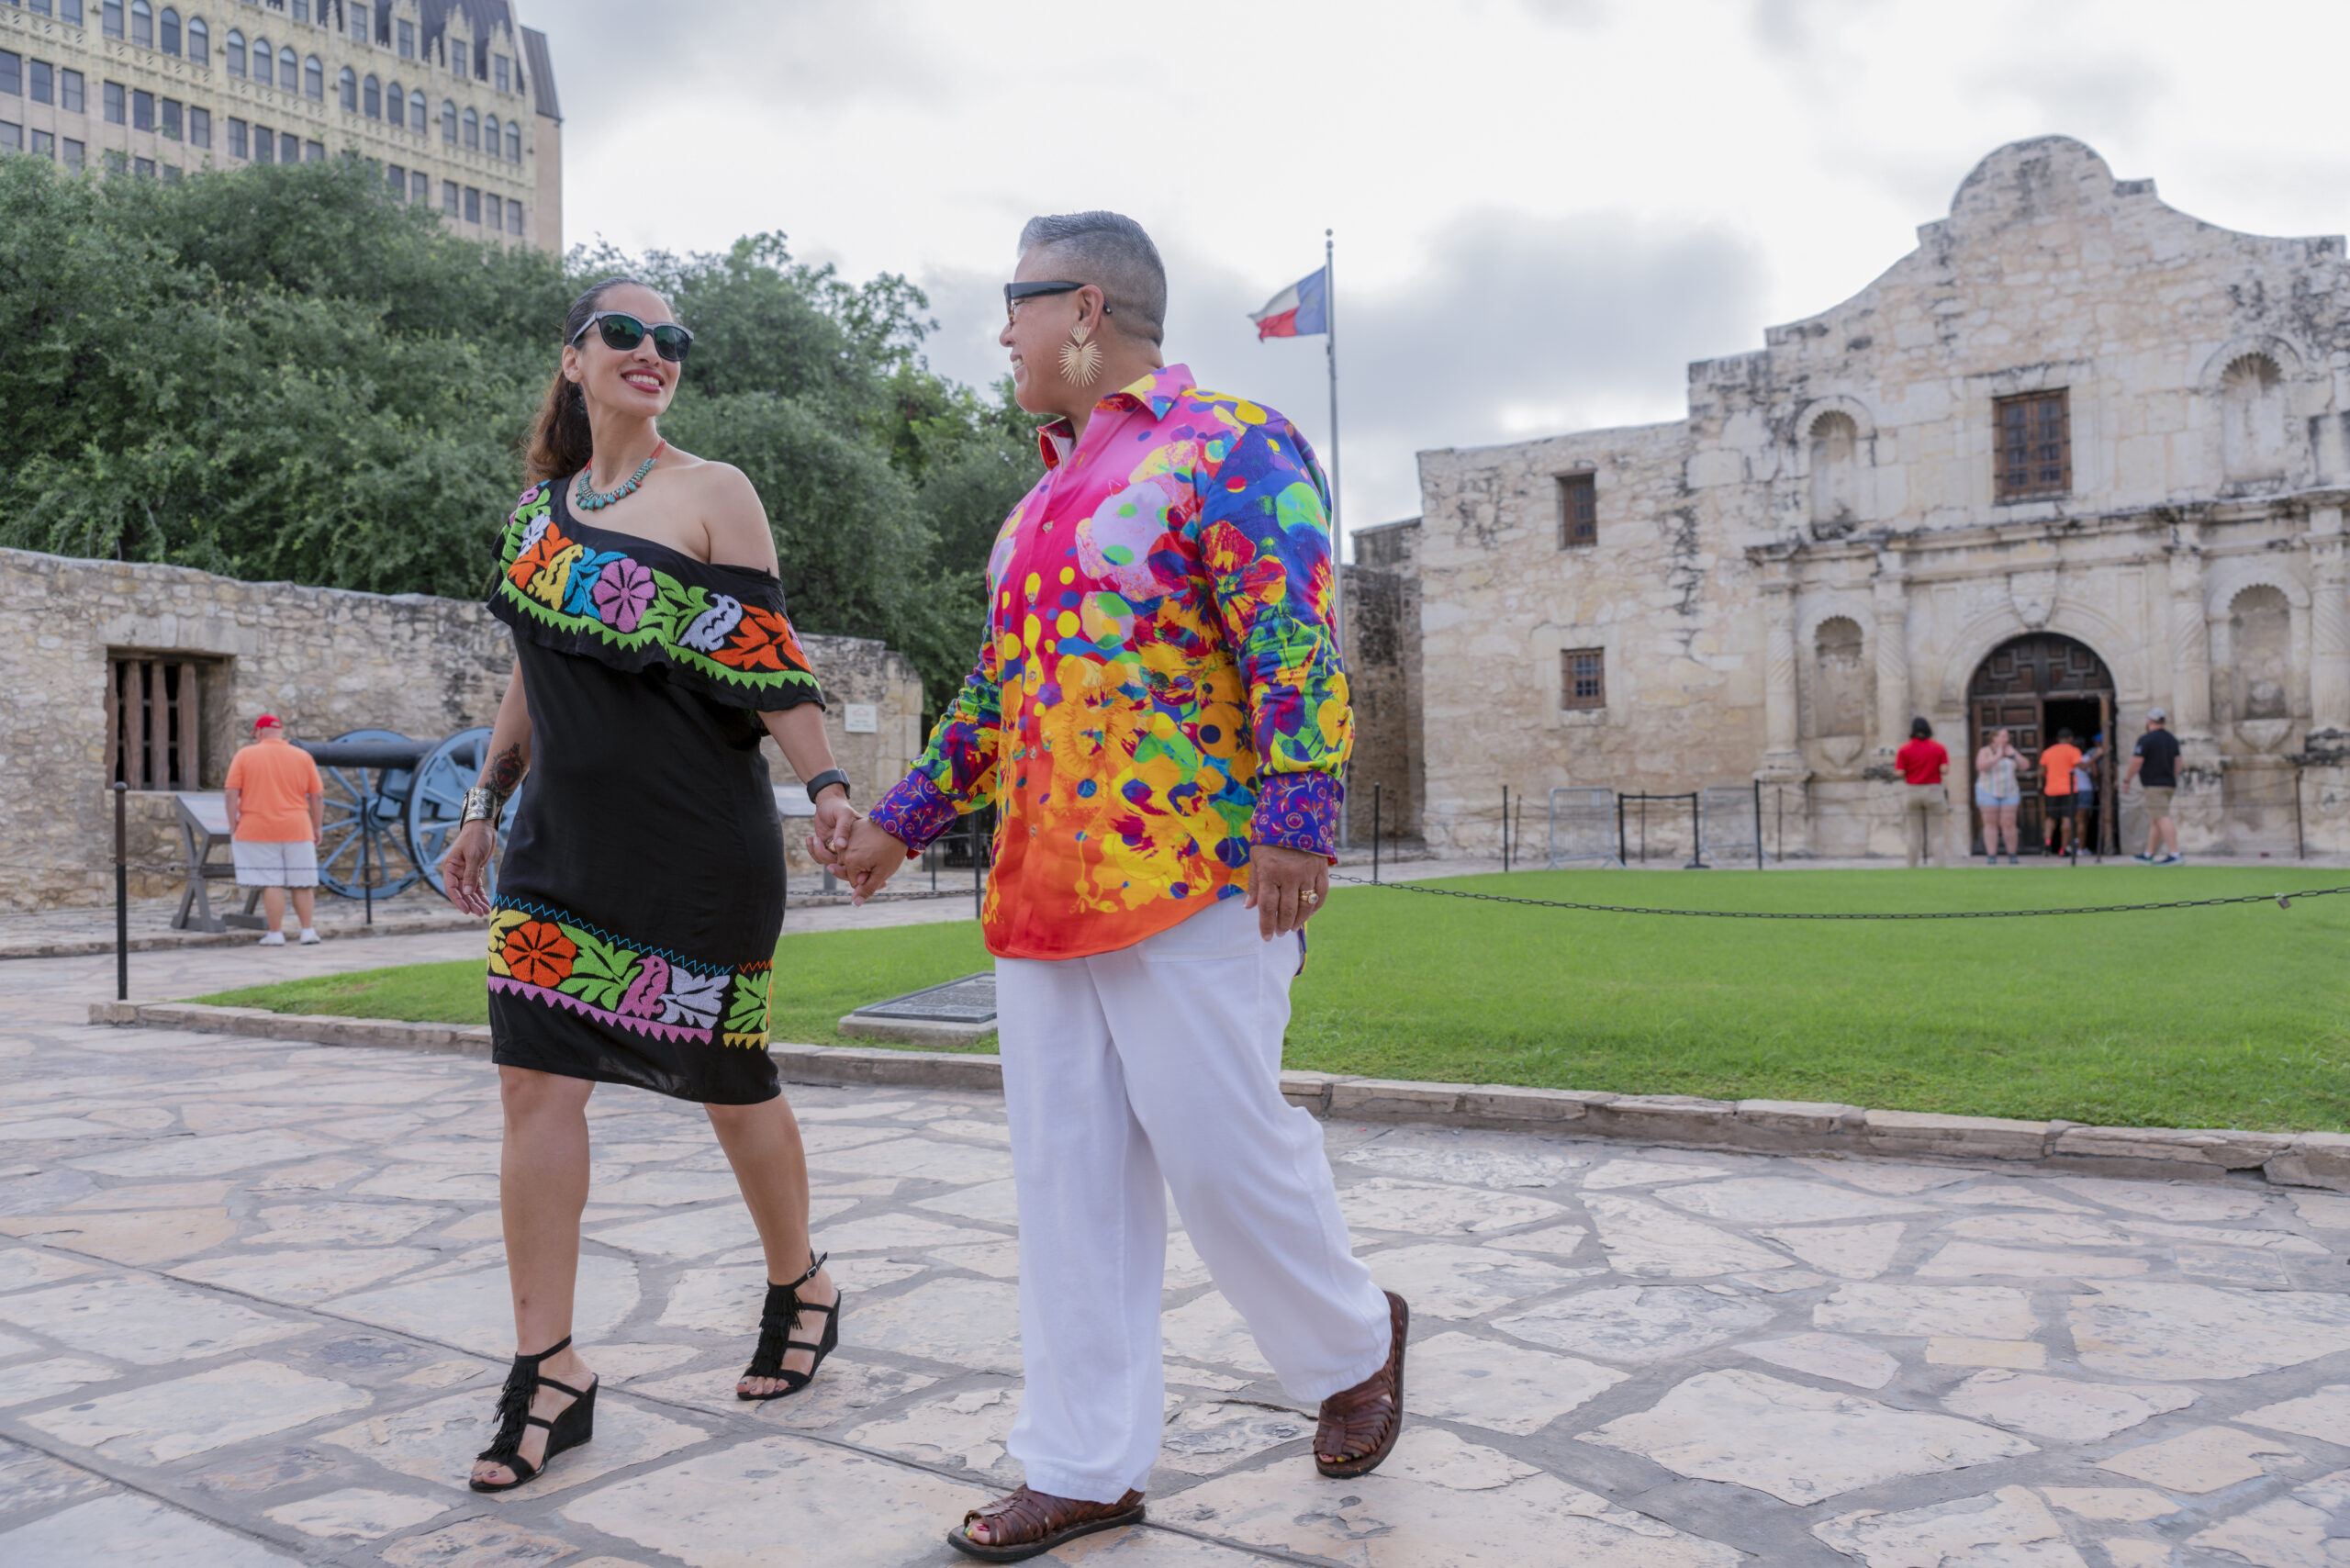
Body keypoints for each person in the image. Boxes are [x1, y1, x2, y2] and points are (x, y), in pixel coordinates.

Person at [823, 212, 1404, 1562]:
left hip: (1200, 877)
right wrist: (901, 825)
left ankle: (1355, 1339)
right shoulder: (1034, 503)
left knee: (1221, 1153)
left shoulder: (1235, 443)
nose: (1003, 335)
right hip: (1039, 892)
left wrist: (1300, 817)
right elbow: (993, 698)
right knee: (1070, 1182)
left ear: (1085, 308)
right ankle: (1083, 1464)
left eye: (1014, 307)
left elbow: (1292, 636)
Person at [437, 277, 860, 1494]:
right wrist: (484, 805)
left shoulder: (715, 492)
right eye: (623, 333)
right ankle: (548, 1369)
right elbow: (528, 673)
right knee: (533, 1087)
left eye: (670, 340)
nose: (650, 352)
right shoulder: (538, 517)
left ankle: (802, 1282)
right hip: (557, 848)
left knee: (729, 1078)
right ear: (572, 360)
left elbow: (771, 664)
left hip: (696, 846)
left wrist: (827, 787)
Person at [223, 713, 325, 946]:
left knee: (272, 882)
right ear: (281, 731)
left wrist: (233, 824)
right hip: (297, 826)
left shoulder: (245, 755)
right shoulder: (303, 757)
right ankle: (307, 931)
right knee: (302, 881)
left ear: (259, 733)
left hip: (258, 827)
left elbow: (231, 794)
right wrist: (317, 827)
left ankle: (276, 933)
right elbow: (317, 795)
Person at [2124, 707, 2184, 864]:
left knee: (2162, 817)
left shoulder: (2146, 739)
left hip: (2153, 784)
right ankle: (2148, 854)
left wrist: (2127, 780)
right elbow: (2178, 762)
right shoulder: (2172, 739)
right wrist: (2172, 777)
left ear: (2149, 721)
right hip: (2169, 783)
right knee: (2155, 819)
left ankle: (2175, 854)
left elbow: (2137, 762)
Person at [1896, 716, 1950, 867]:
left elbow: (1899, 772)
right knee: (1937, 834)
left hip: (1912, 791)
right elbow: (1944, 770)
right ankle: (1940, 866)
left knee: (1913, 834)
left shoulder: (1904, 749)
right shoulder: (1939, 748)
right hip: (1933, 789)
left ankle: (1912, 866)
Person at [1973, 726, 2022, 865]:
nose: (2006, 739)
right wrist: (1997, 756)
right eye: (2003, 736)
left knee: (2009, 823)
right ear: (1994, 738)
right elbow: (1980, 766)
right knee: (1990, 824)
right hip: (1988, 791)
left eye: (2007, 736)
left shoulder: (2011, 751)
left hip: (2009, 791)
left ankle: (2012, 855)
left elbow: (2025, 765)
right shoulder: (1984, 751)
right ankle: (1992, 856)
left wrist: (2013, 755)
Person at [2038, 728, 2084, 859]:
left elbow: (2042, 771)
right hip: (2068, 790)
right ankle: (2062, 849)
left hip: (2051, 789)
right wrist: (2095, 756)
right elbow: (2081, 766)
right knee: (2067, 819)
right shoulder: (2073, 750)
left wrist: (2048, 779)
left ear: (2058, 739)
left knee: (2050, 819)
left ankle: (2047, 844)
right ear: (2070, 739)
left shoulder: (2048, 752)